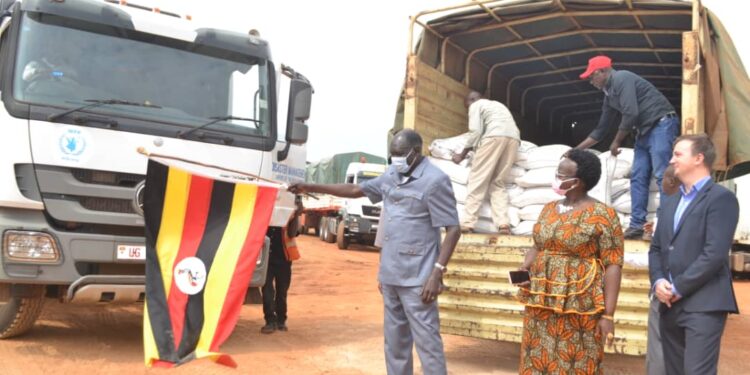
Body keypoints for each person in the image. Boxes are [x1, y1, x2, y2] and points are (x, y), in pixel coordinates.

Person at [289, 129, 461, 375]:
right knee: (395, 343)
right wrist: (310, 186)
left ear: (416, 152)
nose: (396, 160)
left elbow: (453, 229)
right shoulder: (391, 174)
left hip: (419, 279)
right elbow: (356, 190)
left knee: (428, 343)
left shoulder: (435, 180)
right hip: (391, 274)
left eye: (401, 154)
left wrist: (437, 273)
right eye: (392, 155)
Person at [516, 149, 623, 374]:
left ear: (579, 182)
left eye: (563, 176)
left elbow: (613, 264)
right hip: (542, 299)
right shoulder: (548, 209)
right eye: (558, 172)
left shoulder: (604, 215)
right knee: (537, 355)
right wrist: (525, 268)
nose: (557, 178)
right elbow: (538, 245)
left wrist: (608, 314)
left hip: (580, 302)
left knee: (579, 358)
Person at [649, 134, 739, 375]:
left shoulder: (721, 199)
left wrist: (678, 287)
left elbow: (714, 253)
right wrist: (658, 282)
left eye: (678, 154)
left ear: (699, 158)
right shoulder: (671, 202)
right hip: (669, 304)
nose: (671, 160)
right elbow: (657, 249)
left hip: (704, 304)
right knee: (674, 370)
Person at [574, 55, 679, 239]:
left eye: (592, 76)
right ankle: (637, 225)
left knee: (662, 174)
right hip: (644, 131)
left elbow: (631, 112)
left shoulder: (622, 78)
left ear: (604, 71)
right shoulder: (609, 95)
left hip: (661, 124)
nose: (591, 81)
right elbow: (601, 129)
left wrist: (617, 141)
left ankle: (666, 225)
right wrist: (576, 150)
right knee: (638, 177)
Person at [452, 91, 520, 235]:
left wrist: (461, 155)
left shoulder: (476, 105)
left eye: (467, 106)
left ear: (471, 100)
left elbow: (475, 132)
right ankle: (503, 224)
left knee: (477, 180)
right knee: (498, 183)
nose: (468, 110)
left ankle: (467, 223)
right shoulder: (497, 105)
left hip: (493, 138)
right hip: (514, 140)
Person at [644, 164, 679, 375]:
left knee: (658, 351)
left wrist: (661, 283)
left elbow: (659, 251)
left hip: (668, 292)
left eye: (663, 179)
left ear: (672, 182)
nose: (660, 183)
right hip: (671, 288)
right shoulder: (666, 210)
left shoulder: (670, 210)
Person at [260, 196, 303, 334]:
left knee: (281, 292)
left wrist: (296, 213)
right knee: (267, 291)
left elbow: (292, 233)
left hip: (284, 260)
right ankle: (270, 321)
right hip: (266, 260)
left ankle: (281, 320)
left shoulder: (288, 214)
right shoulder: (264, 214)